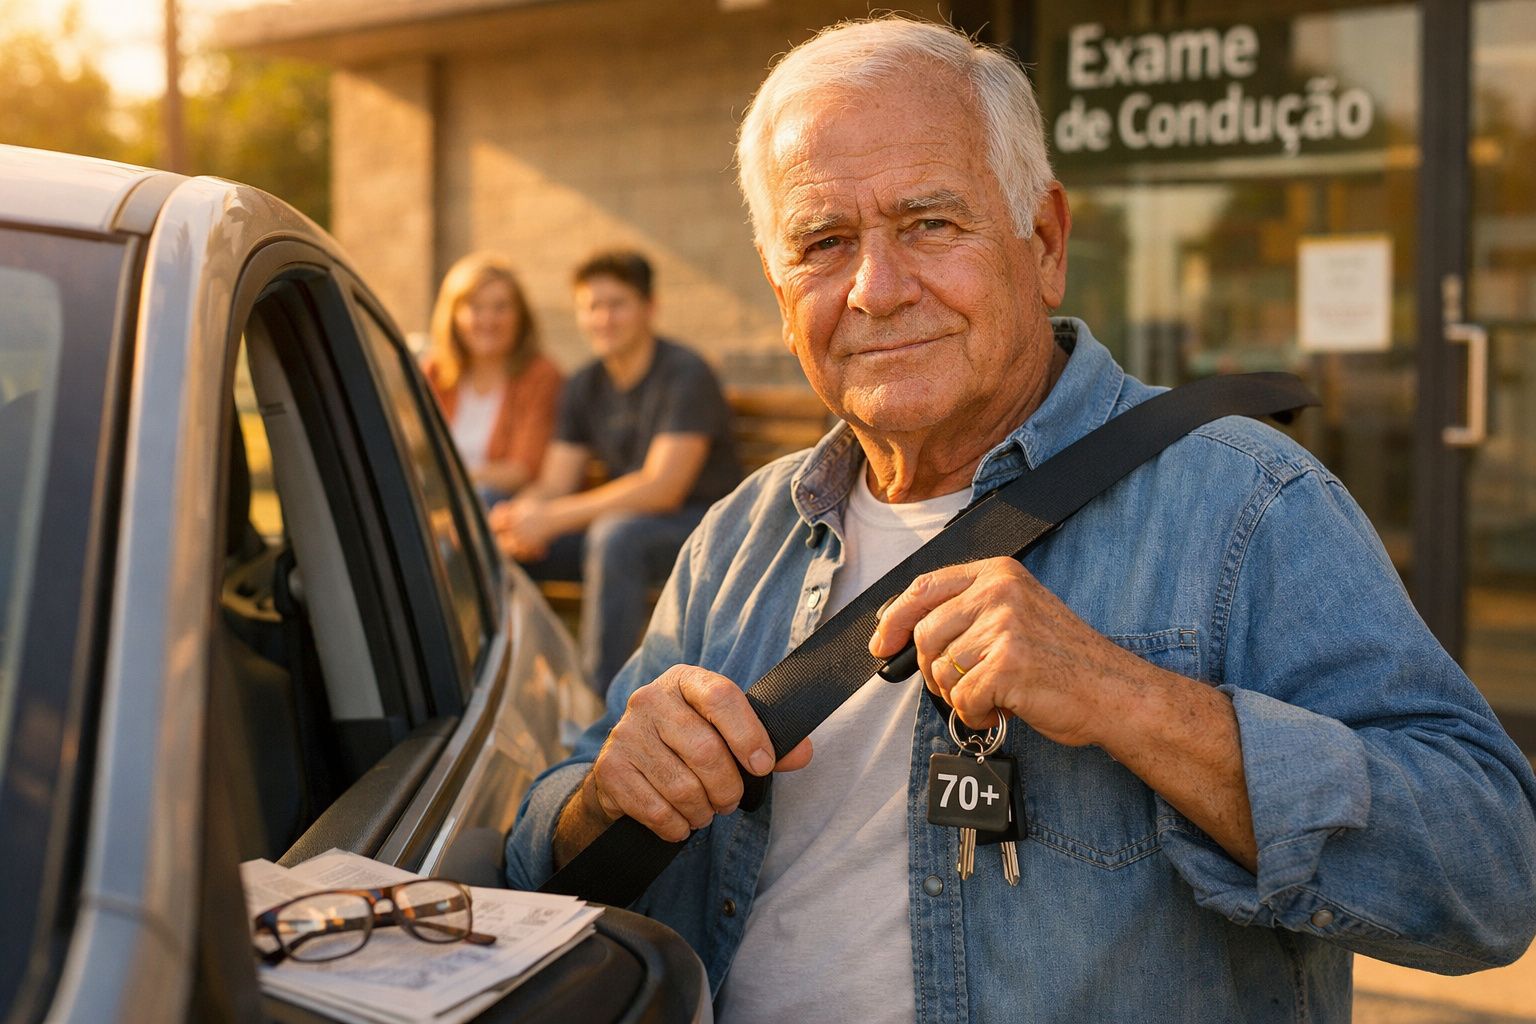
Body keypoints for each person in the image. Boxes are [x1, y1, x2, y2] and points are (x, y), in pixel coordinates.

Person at [505, 18, 1536, 1023]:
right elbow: (537, 860)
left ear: (1043, 243)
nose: (875, 288)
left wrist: (1127, 698)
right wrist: (605, 795)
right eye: (823, 241)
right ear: (780, 291)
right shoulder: (738, 539)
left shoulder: (1247, 504)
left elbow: (1490, 876)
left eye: (928, 224)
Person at [491, 250, 741, 694]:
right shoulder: (584, 384)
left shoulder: (685, 373)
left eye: (617, 304)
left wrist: (551, 518)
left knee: (615, 537)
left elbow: (663, 487)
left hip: (704, 526)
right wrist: (521, 516)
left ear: (650, 308)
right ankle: (523, 690)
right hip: (626, 526)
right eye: (591, 306)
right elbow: (555, 483)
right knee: (497, 524)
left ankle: (598, 703)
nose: (603, 318)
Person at [422, 252, 562, 506]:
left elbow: (523, 469)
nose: (488, 320)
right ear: (453, 315)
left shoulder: (541, 375)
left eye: (501, 307)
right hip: (435, 502)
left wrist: (448, 481)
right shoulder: (434, 371)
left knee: (480, 500)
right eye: (475, 307)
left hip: (499, 506)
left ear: (520, 316)